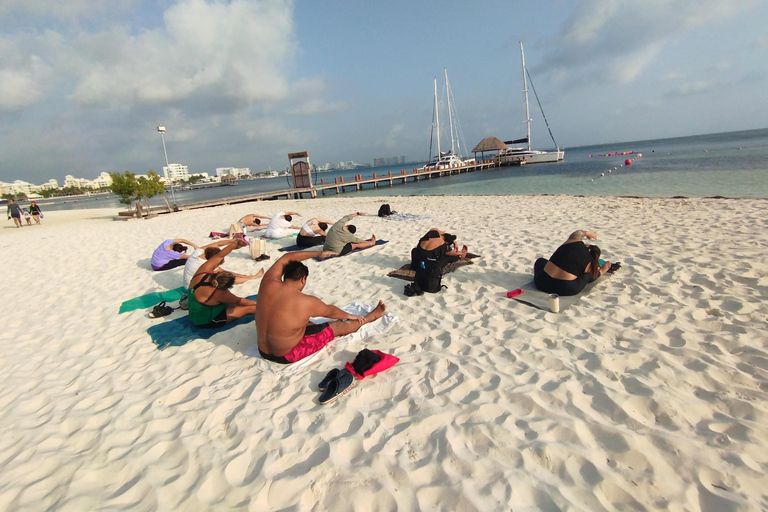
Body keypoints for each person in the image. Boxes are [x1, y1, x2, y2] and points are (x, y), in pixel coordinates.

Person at [256, 250, 386, 364]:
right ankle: (369, 318)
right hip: (287, 355)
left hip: (262, 350)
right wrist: (351, 316)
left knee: (301, 320)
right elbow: (332, 312)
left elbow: (286, 257)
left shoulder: (268, 282)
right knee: (335, 326)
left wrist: (318, 253)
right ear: (303, 279)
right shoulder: (306, 301)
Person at [188, 239, 257, 328]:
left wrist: (234, 244)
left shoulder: (202, 272)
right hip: (206, 320)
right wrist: (258, 303)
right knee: (249, 308)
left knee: (235, 304)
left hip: (195, 312)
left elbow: (219, 256)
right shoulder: (219, 293)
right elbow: (239, 301)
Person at [533, 230, 611, 296]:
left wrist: (587, 233)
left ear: (588, 246)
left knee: (540, 261)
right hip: (565, 289)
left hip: (541, 282)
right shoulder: (590, 263)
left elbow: (577, 233)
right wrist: (601, 270)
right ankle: (602, 271)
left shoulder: (573, 241)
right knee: (587, 276)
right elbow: (592, 276)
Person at [183, 239, 265, 289]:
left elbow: (218, 244)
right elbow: (226, 273)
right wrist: (246, 276)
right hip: (192, 288)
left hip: (188, 283)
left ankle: (249, 277)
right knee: (225, 279)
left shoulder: (198, 252)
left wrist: (233, 241)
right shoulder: (205, 264)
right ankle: (253, 278)